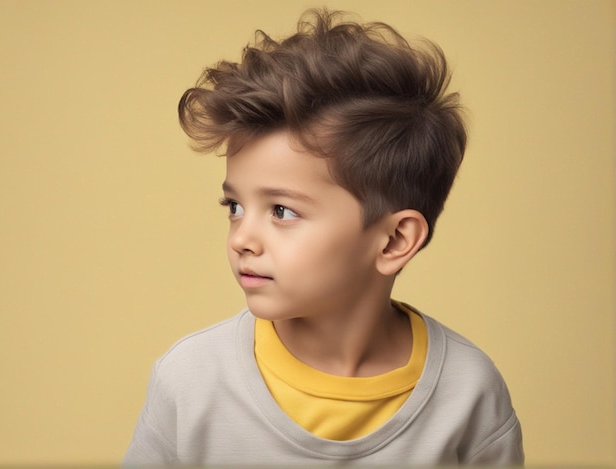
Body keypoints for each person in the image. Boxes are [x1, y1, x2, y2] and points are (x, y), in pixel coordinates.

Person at [124, 9, 523, 466]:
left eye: (281, 211)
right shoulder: (189, 379)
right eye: (234, 207)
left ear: (395, 240)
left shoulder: (470, 393)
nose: (242, 239)